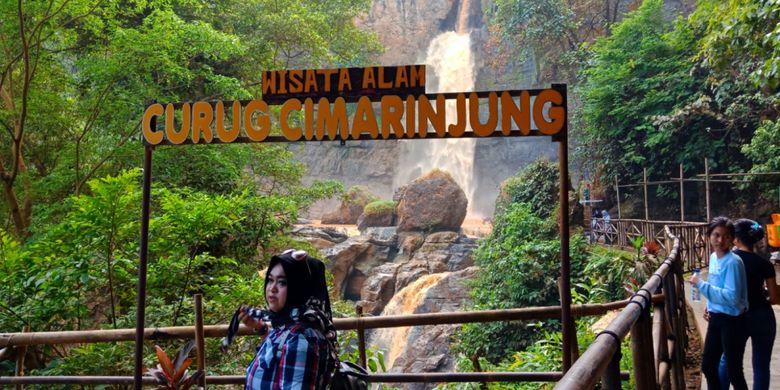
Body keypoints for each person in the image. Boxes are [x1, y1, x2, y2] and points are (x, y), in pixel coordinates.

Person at [239, 249, 337, 390]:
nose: (272, 288)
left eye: (282, 282)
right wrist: (261, 328)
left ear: (299, 288)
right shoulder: (288, 325)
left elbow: (293, 348)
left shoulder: (301, 338)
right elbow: (281, 353)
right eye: (270, 280)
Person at [718, 219, 780, 390]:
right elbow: (775, 298)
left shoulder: (727, 261)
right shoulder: (765, 264)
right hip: (763, 317)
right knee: (761, 366)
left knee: (727, 361)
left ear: (736, 239)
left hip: (735, 317)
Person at [689, 216, 749, 390]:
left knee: (734, 371)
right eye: (716, 235)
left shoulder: (733, 263)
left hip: (733, 322)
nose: (720, 240)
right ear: (709, 236)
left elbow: (732, 297)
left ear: (732, 239)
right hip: (717, 318)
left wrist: (701, 285)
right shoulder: (714, 257)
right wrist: (710, 305)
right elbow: (717, 286)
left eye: (726, 236)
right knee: (708, 366)